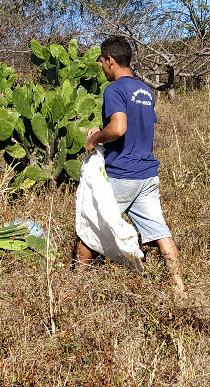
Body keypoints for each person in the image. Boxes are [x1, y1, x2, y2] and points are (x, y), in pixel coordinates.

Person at [77, 35, 186, 297]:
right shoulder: (145, 91)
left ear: (110, 60)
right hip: (147, 174)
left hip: (122, 175)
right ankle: (179, 288)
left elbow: (119, 128)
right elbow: (137, 125)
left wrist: (95, 138)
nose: (102, 67)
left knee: (89, 226)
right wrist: (103, 130)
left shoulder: (114, 90)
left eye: (102, 62)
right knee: (160, 232)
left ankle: (75, 286)